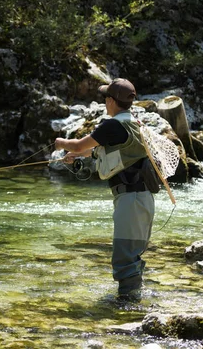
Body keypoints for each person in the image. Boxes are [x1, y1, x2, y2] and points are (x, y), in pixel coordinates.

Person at [54, 78, 155, 297]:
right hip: (142, 198)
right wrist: (78, 155)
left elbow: (80, 144)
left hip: (131, 199)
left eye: (105, 98)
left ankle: (127, 307)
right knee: (132, 254)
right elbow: (114, 153)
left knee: (124, 258)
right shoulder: (134, 122)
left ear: (110, 100)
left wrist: (61, 143)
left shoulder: (113, 124)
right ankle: (134, 301)